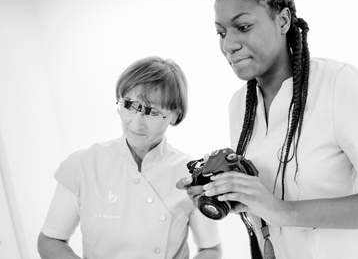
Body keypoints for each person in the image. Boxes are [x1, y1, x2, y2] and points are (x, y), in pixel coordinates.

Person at [177, 0, 358, 258]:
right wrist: (235, 198)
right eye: (221, 33)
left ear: (283, 21)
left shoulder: (337, 84)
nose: (228, 45)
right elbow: (271, 206)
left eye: (243, 27)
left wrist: (283, 211)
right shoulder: (239, 107)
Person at [38, 56, 222, 259]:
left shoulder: (190, 175)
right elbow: (50, 240)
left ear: (175, 115)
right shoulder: (83, 165)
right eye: (129, 105)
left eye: (152, 112)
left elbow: (210, 249)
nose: (136, 124)